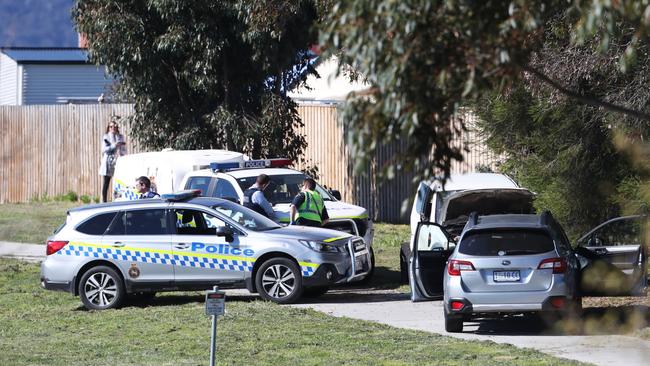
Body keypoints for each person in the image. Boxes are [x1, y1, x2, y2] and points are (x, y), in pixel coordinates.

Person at [99, 121, 127, 202]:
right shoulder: (106, 137)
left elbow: (123, 149)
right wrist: (114, 145)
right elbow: (104, 150)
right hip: (108, 162)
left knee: (119, 182)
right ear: (108, 127)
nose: (113, 128)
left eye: (114, 127)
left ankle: (118, 199)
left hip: (118, 161)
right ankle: (104, 201)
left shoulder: (120, 137)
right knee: (106, 183)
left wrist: (123, 156)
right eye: (111, 127)